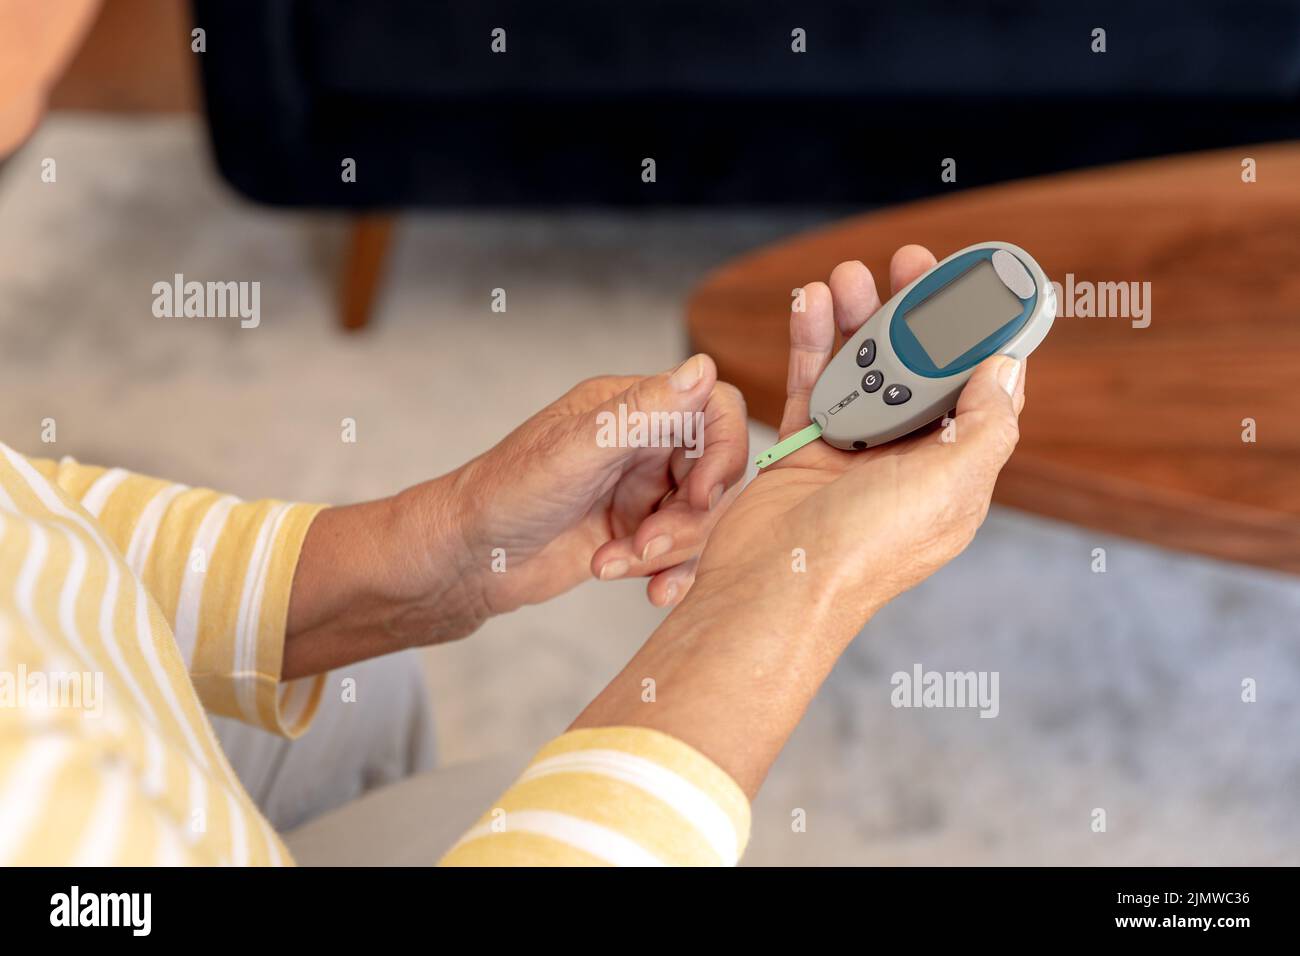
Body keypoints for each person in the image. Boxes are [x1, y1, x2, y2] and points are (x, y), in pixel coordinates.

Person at [0, 0, 1026, 865]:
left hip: (112, 701)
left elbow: (32, 537)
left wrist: (442, 544)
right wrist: (788, 588)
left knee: (362, 678)